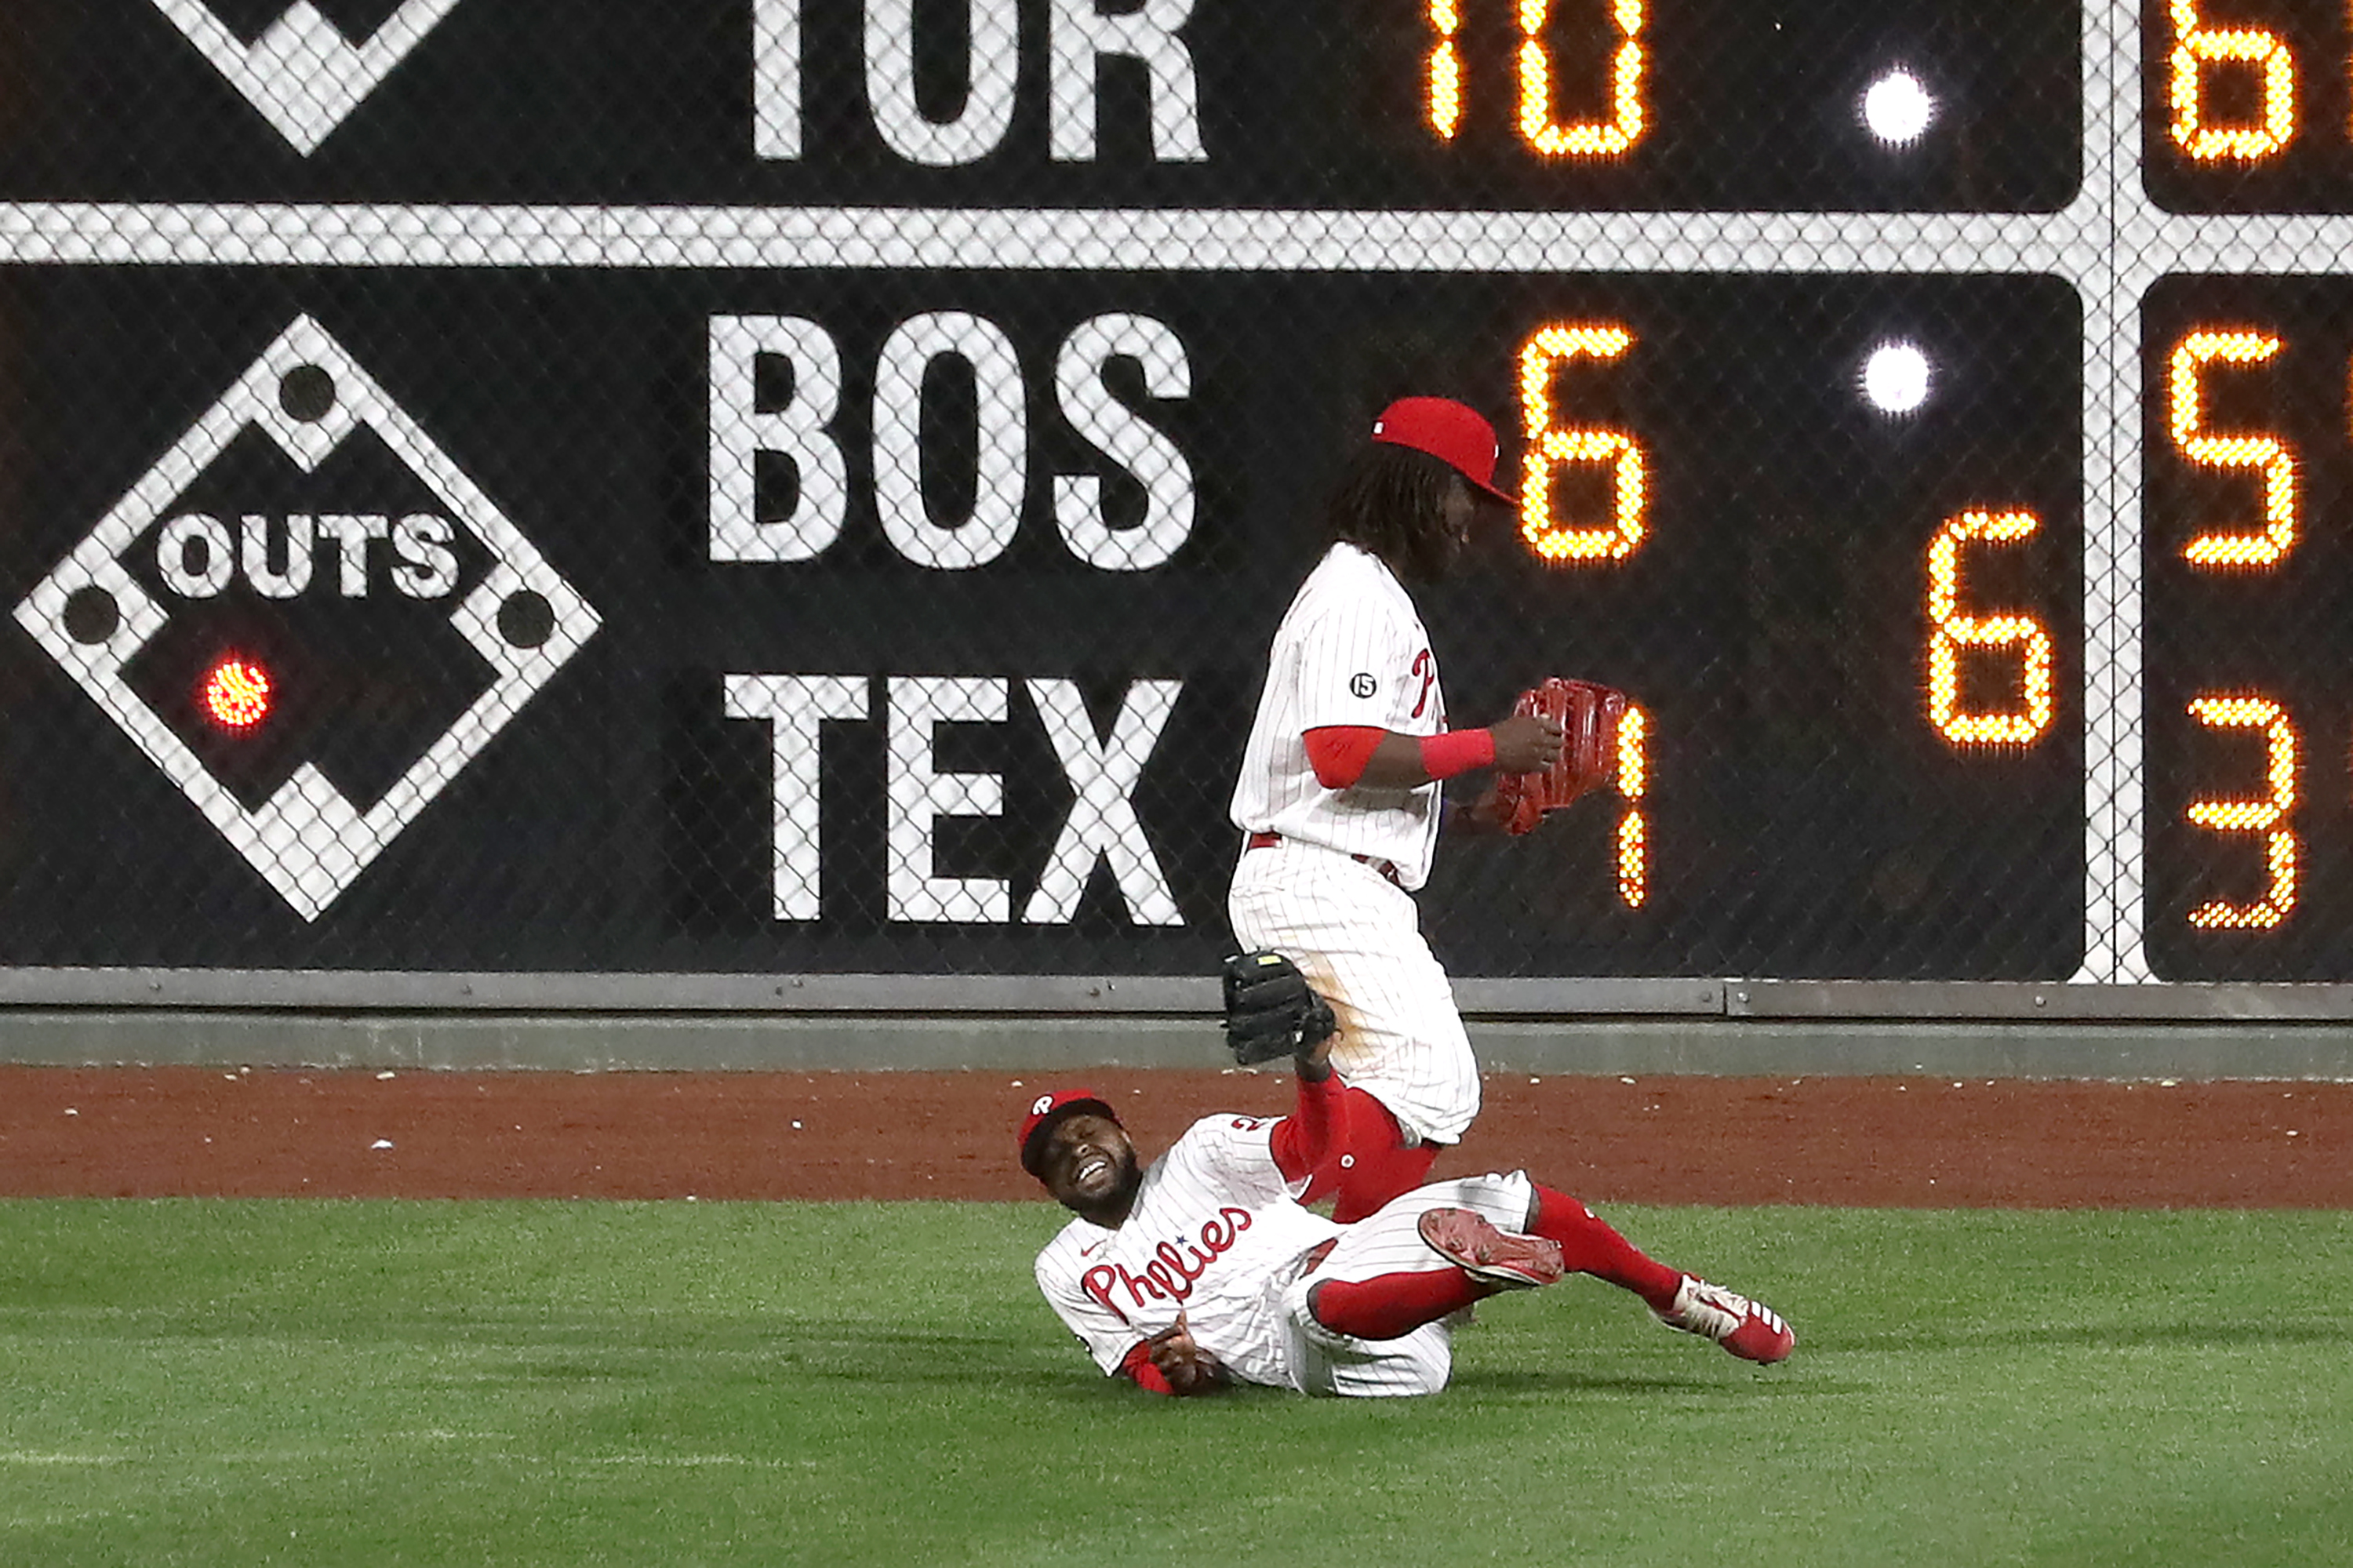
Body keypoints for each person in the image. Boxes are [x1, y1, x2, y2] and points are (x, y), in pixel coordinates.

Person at [1020, 1031, 1795, 1399]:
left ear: (1125, 1134)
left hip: (1363, 1265)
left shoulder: (1200, 1152)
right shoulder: (1065, 1265)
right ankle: (1476, 1277)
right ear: (1051, 1190)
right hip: (1307, 1347)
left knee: (1503, 1194)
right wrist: (1181, 1375)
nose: (1075, 1147)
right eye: (1054, 1153)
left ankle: (1674, 1294)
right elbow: (1136, 1363)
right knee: (1309, 1303)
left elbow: (1311, 1143)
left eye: (1087, 1129)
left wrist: (1314, 1067)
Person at [1227, 395, 1567, 1221]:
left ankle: (1317, 1256)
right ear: (1420, 485)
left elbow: (1344, 781)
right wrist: (1493, 743)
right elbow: (1339, 757)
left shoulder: (1370, 592)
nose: (1468, 520)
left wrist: (1466, 816)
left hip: (1333, 873)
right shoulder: (1353, 592)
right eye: (1465, 497)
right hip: (1316, 883)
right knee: (1431, 1080)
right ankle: (1305, 1256)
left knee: (1402, 1088)